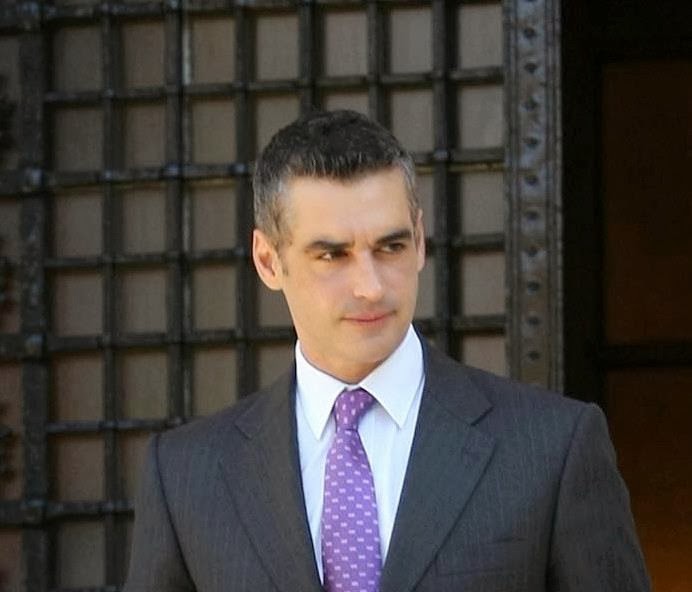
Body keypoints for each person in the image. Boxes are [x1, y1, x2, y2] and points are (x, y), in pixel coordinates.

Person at [124, 110, 650, 592]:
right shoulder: (186, 476)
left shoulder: (553, 448)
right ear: (268, 260)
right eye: (333, 255)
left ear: (419, 240)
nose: (371, 286)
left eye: (390, 246)